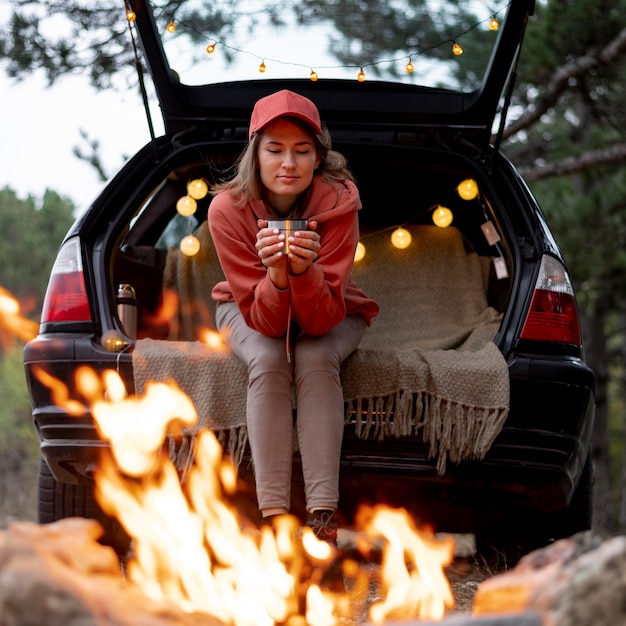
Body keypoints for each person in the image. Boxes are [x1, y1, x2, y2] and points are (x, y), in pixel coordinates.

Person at [208, 89, 379, 543]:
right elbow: (265, 323)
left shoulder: (341, 202)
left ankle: (323, 522)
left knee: (316, 354)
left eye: (302, 151)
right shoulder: (227, 210)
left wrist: (300, 271)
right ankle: (276, 524)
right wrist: (278, 276)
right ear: (255, 156)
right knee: (269, 357)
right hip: (247, 307)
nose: (289, 163)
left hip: (333, 307)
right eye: (275, 149)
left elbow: (322, 319)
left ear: (318, 158)